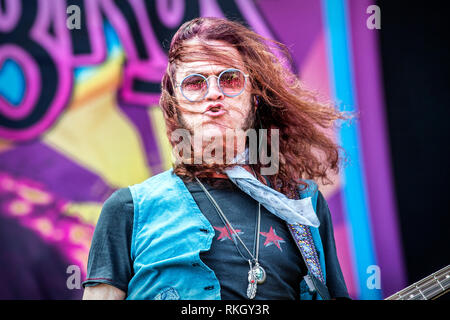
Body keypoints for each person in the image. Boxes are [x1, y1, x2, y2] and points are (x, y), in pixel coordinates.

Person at [82, 17, 349, 300]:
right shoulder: (128, 210)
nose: (214, 95)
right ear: (176, 105)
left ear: (253, 98)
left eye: (230, 79)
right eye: (195, 83)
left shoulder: (302, 204)